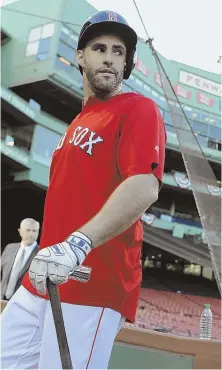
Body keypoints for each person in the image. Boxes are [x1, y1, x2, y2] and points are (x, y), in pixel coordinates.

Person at [0, 10, 166, 369]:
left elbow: (144, 185)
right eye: (99, 48)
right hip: (43, 277)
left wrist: (79, 243)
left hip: (93, 281)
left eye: (119, 51)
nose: (109, 57)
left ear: (126, 63)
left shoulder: (138, 108)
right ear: (80, 56)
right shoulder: (77, 121)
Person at [1, 218, 39, 300]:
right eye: (28, 230)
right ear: (20, 231)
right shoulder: (9, 248)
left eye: (34, 231)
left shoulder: (41, 254)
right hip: (2, 298)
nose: (31, 234)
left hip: (23, 301)